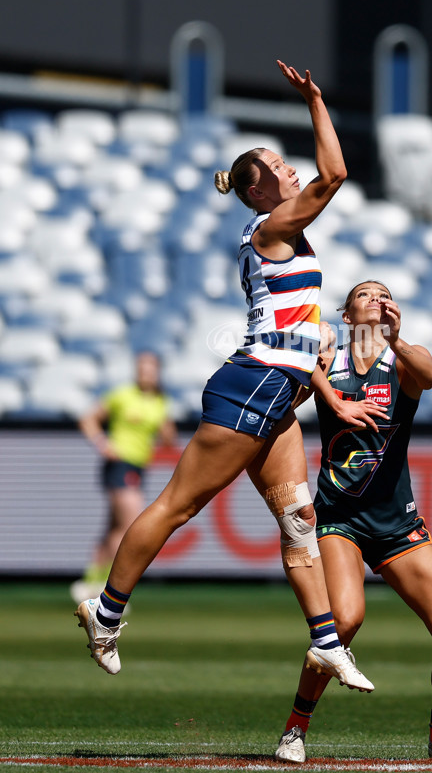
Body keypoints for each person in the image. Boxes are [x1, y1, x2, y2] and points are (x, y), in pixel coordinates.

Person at [74, 61, 380, 694]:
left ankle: (326, 642)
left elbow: (299, 333)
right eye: (275, 165)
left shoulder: (276, 231)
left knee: (299, 520)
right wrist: (317, 102)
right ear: (256, 189)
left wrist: (323, 383)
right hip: (253, 388)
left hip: (278, 392)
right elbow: (337, 174)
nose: (288, 168)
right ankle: (104, 613)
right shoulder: (273, 227)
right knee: (177, 506)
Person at [274, 280, 432, 764]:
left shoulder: (404, 357)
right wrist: (322, 386)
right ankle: (295, 728)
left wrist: (394, 337)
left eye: (383, 293)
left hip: (397, 524)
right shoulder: (331, 358)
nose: (375, 298)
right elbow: (287, 403)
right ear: (347, 316)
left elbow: (430, 377)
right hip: (340, 520)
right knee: (344, 621)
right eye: (363, 294)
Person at [70, 351, 178, 604]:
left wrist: (166, 423)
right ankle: (110, 591)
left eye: (150, 369)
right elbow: (89, 419)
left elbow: (168, 438)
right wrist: (102, 443)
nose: (145, 373)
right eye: (141, 368)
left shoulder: (159, 402)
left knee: (113, 528)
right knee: (129, 526)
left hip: (138, 468)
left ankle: (90, 583)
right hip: (120, 464)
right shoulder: (122, 395)